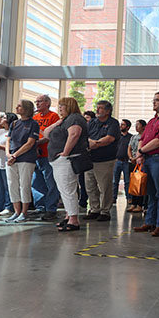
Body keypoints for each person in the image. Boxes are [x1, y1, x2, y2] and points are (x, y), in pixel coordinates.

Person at [45, 97, 89, 232]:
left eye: (62, 106)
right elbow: (46, 134)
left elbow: (74, 135)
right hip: (58, 160)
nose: (59, 108)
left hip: (67, 159)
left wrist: (65, 152)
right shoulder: (64, 120)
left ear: (69, 106)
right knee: (64, 190)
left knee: (68, 189)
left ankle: (74, 219)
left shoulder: (75, 118)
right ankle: (69, 215)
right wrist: (56, 123)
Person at [134, 92, 159, 236]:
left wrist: (141, 151)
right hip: (147, 159)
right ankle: (150, 222)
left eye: (157, 100)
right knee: (151, 193)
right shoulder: (152, 121)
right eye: (153, 100)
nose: (154, 102)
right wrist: (140, 153)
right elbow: (143, 138)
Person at [4, 100, 39, 223]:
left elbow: (30, 143)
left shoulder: (33, 124)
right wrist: (8, 154)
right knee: (12, 184)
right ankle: (16, 211)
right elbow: (8, 140)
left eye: (20, 106)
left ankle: (24, 212)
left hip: (26, 158)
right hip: (12, 159)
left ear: (26, 108)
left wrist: (15, 155)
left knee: (24, 185)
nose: (17, 107)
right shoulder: (14, 124)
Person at [84, 100, 120, 221]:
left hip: (105, 160)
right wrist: (92, 143)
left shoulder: (113, 123)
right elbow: (85, 136)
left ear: (108, 111)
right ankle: (94, 209)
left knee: (104, 187)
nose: (98, 110)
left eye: (101, 108)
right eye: (97, 107)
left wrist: (95, 144)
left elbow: (109, 138)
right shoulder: (92, 122)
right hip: (89, 159)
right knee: (90, 186)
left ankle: (105, 211)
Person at [31, 94, 60, 220]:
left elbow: (52, 135)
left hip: (48, 154)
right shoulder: (35, 117)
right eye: (36, 101)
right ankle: (40, 206)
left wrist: (39, 141)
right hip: (35, 155)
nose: (37, 104)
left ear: (47, 103)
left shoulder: (54, 117)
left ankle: (51, 208)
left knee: (50, 182)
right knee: (36, 182)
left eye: (40, 101)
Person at [126, 119, 146, 212]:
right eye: (136, 125)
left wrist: (137, 158)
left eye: (138, 125)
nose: (136, 127)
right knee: (133, 182)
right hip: (132, 162)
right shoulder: (133, 137)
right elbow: (129, 148)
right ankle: (133, 203)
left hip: (141, 162)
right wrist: (131, 157)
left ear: (143, 127)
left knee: (140, 182)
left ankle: (140, 204)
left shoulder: (145, 137)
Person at [113, 119, 132, 205]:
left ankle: (129, 198)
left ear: (127, 127)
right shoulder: (117, 137)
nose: (121, 126)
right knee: (114, 181)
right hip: (116, 161)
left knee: (127, 181)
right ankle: (113, 197)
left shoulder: (130, 137)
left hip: (126, 161)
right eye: (121, 124)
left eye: (123, 125)